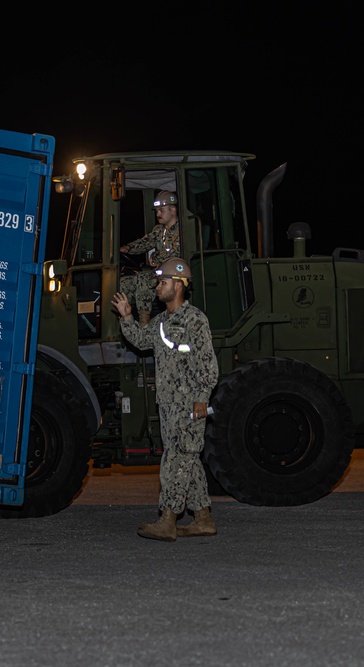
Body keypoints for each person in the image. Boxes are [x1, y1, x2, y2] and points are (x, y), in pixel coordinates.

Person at [110, 257, 219, 541]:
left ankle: (168, 519)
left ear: (180, 285)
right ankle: (203, 519)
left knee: (174, 461)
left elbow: (208, 366)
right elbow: (142, 341)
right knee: (188, 460)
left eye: (163, 282)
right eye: (158, 282)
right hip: (168, 405)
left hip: (189, 405)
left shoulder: (195, 319)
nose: (158, 287)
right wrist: (126, 316)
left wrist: (200, 399)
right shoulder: (161, 322)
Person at [119, 190, 182, 327]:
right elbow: (144, 243)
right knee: (122, 283)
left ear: (173, 210)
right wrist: (128, 248)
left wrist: (155, 257)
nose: (158, 214)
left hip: (174, 274)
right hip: (159, 272)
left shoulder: (182, 230)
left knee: (143, 279)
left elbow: (175, 255)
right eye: (157, 211)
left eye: (161, 210)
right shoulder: (159, 231)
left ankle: (144, 323)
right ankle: (125, 322)